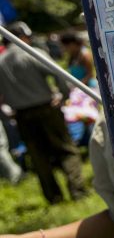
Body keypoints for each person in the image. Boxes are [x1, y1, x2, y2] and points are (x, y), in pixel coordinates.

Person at [0, 22, 86, 203]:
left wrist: (7, 111)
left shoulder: (1, 62)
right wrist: (63, 96)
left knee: (39, 158)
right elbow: (60, 74)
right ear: (22, 37)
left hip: (21, 115)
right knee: (66, 150)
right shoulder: (32, 53)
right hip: (47, 109)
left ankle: (53, 198)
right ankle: (77, 191)